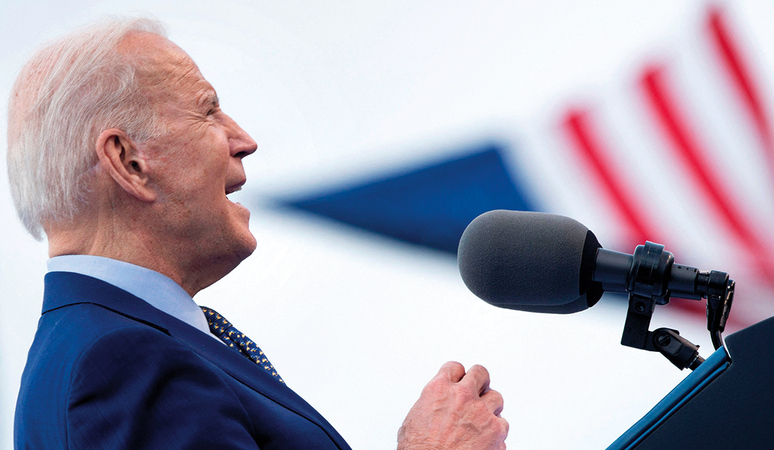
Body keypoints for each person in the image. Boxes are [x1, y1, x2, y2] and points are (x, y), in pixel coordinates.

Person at [8, 17, 509, 449]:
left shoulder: (100, 348)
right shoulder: (123, 362)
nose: (245, 141)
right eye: (208, 110)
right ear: (128, 161)